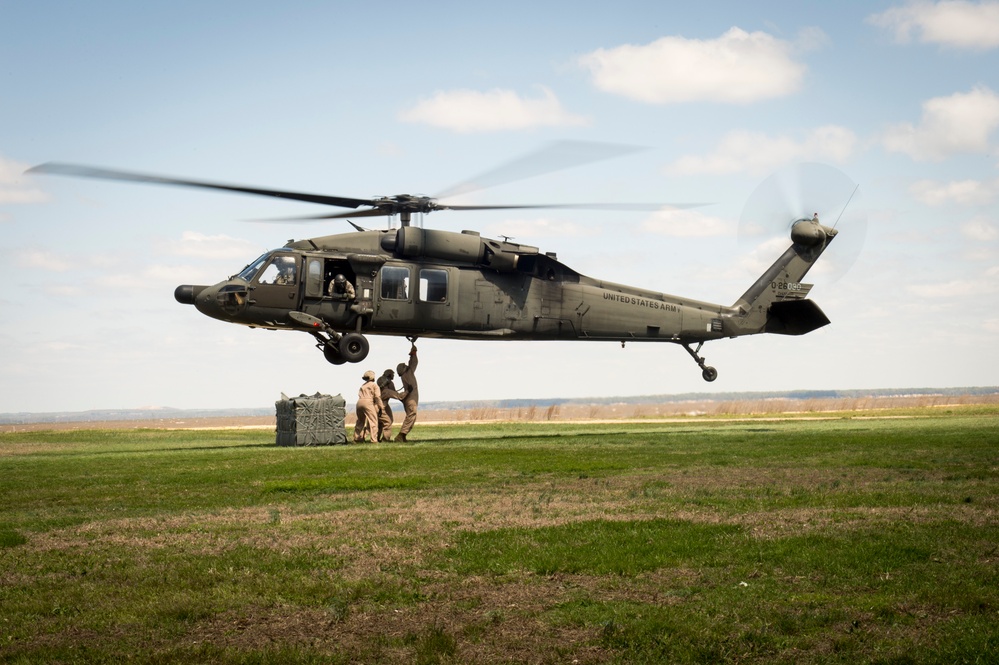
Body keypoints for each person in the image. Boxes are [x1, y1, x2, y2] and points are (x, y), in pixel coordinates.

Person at [394, 344, 419, 442]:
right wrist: (413, 354)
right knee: (411, 415)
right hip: (411, 398)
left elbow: (412, 364)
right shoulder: (408, 373)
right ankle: (401, 435)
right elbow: (413, 363)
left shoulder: (404, 375)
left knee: (411, 416)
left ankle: (403, 436)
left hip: (408, 398)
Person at [376, 369, 405, 442]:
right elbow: (397, 395)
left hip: (380, 406)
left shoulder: (379, 389)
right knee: (387, 422)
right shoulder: (387, 391)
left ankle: (376, 438)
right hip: (381, 407)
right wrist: (407, 391)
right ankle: (385, 439)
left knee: (380, 423)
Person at [353, 370, 381, 443]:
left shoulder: (363, 385)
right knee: (373, 421)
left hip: (359, 402)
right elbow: (377, 397)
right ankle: (374, 440)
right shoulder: (374, 385)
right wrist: (381, 406)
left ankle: (357, 438)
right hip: (368, 402)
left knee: (360, 421)